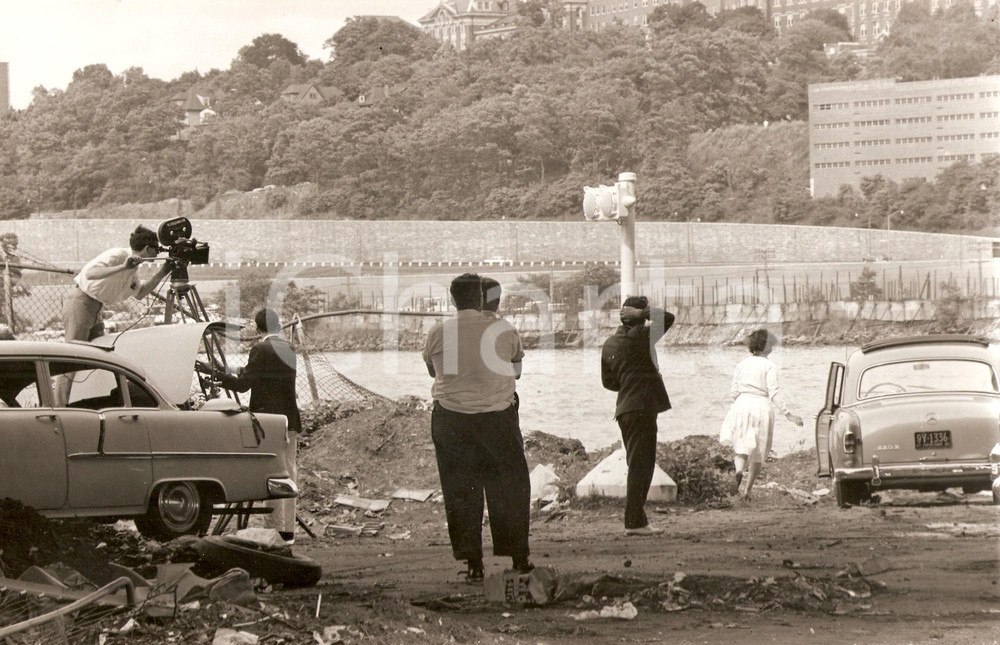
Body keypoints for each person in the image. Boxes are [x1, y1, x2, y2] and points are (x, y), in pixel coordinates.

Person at [423, 273, 532, 582]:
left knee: (461, 489)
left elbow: (433, 371)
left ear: (453, 298)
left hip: (452, 419)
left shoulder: (438, 332)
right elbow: (517, 371)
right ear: (482, 299)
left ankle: (473, 563)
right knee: (509, 486)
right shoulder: (504, 330)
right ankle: (519, 558)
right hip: (497, 418)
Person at [210, 308, 301, 543]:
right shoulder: (288, 348)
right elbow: (263, 374)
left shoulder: (259, 349)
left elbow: (244, 386)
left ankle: (273, 529)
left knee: (273, 474)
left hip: (268, 421)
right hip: (289, 419)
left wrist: (219, 376)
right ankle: (287, 531)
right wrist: (232, 371)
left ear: (257, 328)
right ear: (278, 325)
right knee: (289, 472)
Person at [56, 225, 173, 404]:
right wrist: (122, 267)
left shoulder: (134, 268)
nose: (157, 253)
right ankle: (58, 407)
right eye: (156, 249)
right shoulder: (119, 255)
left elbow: (140, 293)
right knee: (71, 357)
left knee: (97, 357)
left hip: (95, 307)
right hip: (81, 301)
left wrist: (162, 273)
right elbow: (90, 273)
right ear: (147, 248)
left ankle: (84, 401)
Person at [601, 295, 675, 537]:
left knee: (637, 465)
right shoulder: (642, 337)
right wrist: (642, 315)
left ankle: (638, 519)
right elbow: (668, 317)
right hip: (643, 407)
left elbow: (608, 382)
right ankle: (634, 523)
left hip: (624, 408)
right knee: (642, 466)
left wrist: (630, 383)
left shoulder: (610, 343)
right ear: (637, 316)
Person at [720, 328, 804, 500]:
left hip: (742, 404)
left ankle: (738, 471)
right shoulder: (770, 366)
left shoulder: (741, 364)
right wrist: (788, 414)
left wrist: (741, 400)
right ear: (767, 347)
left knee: (741, 446)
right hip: (761, 406)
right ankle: (747, 491)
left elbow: (733, 392)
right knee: (758, 451)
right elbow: (774, 393)